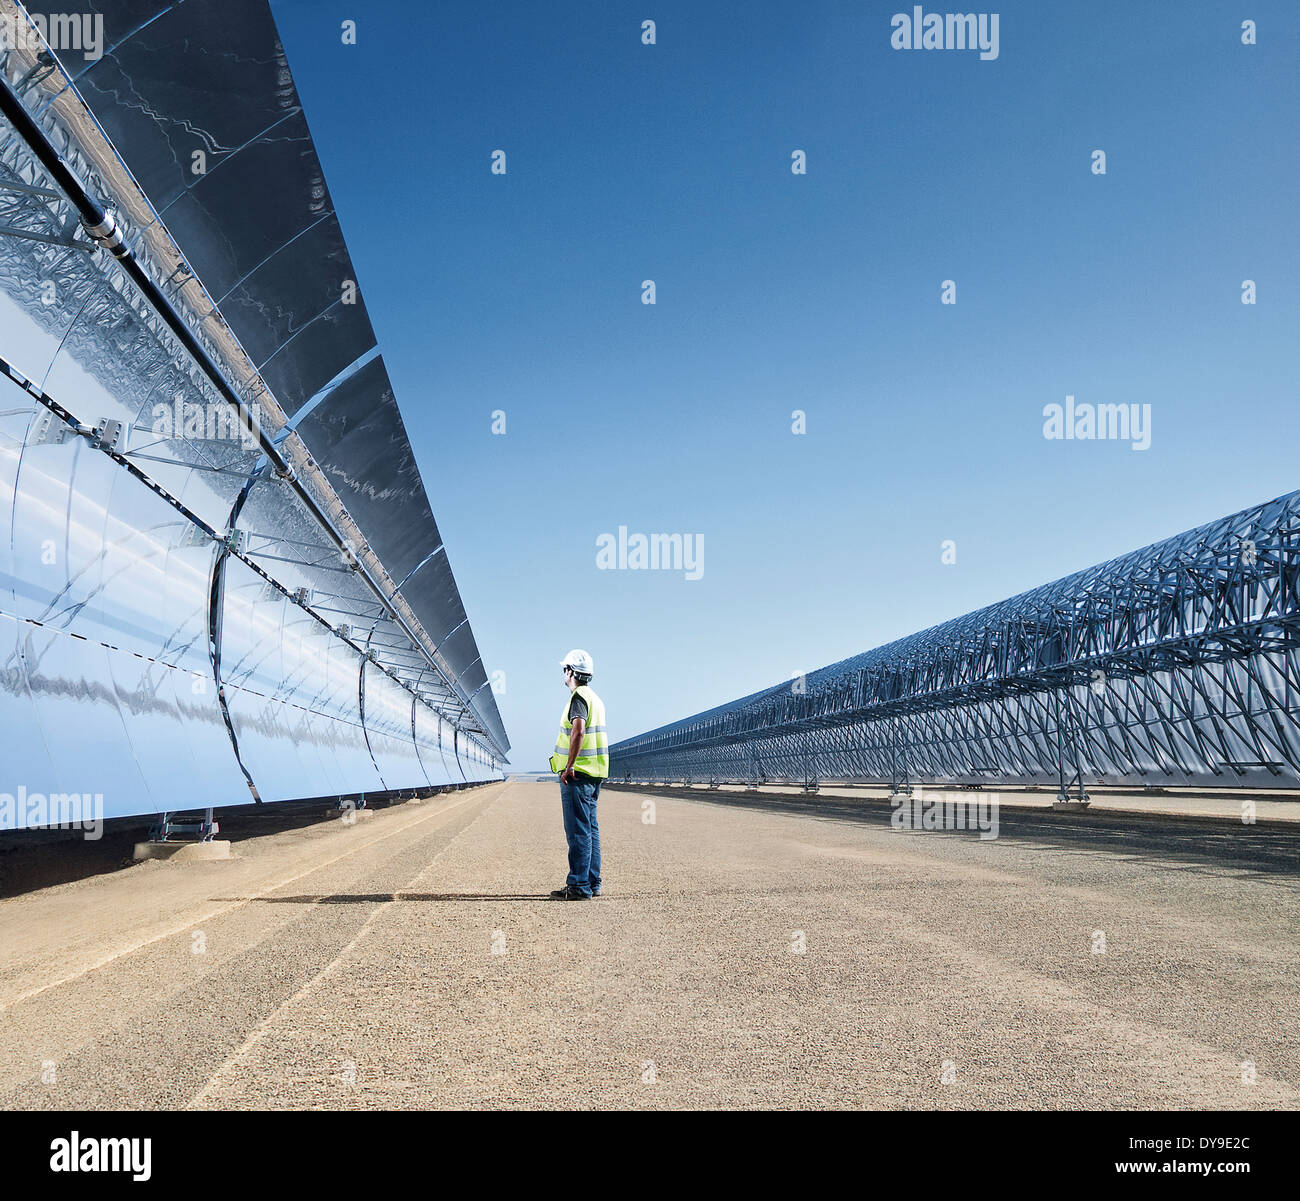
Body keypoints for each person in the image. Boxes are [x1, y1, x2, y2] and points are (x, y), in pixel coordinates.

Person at [548, 649, 608, 900]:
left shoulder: (579, 697)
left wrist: (570, 765)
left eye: (565, 669)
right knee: (590, 829)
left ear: (571, 672)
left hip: (578, 774)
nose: (563, 673)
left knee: (577, 831)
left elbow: (578, 731)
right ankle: (591, 882)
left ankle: (579, 886)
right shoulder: (595, 698)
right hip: (595, 772)